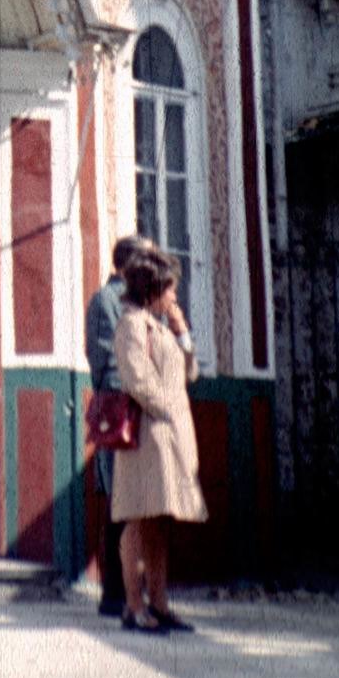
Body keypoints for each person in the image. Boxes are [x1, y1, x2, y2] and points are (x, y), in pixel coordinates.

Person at [111, 243, 207, 633]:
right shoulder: (133, 325)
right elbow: (138, 380)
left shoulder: (161, 326)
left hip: (168, 438)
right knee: (138, 519)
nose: (174, 296)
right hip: (148, 437)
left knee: (158, 522)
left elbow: (190, 373)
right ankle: (134, 607)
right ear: (150, 289)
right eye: (168, 289)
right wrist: (169, 409)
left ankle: (160, 603)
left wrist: (183, 332)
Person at [85, 235, 153, 618]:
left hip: (137, 404)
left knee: (134, 499)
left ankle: (130, 591)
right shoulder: (105, 301)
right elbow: (101, 359)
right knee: (118, 498)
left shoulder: (139, 304)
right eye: (143, 259)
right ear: (126, 265)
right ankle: (114, 593)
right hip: (117, 407)